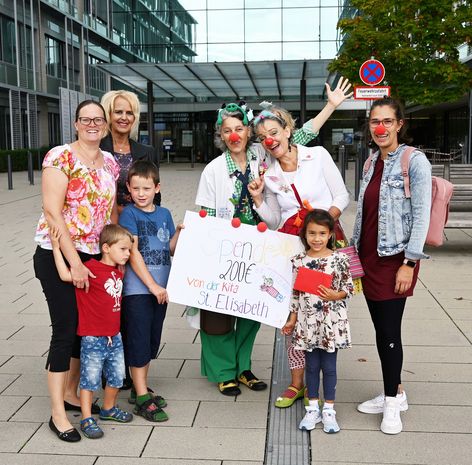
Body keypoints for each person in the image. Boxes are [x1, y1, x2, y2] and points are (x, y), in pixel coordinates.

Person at [195, 80, 351, 397]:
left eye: (239, 128)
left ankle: (242, 366)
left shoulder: (261, 157)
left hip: (263, 246)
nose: (234, 135)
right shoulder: (212, 169)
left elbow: (298, 135)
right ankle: (223, 371)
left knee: (253, 310)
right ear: (220, 136)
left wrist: (330, 107)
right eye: (227, 130)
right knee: (220, 312)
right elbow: (206, 213)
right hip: (227, 245)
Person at [249, 94, 351, 408]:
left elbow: (342, 195)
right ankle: (297, 384)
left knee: (323, 311)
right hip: (293, 251)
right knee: (293, 318)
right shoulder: (270, 174)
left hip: (324, 246)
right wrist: (258, 200)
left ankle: (323, 384)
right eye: (263, 137)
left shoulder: (317, 155)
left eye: (274, 133)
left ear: (288, 130)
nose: (269, 140)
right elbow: (275, 219)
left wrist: (321, 227)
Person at [33, 100, 119, 442]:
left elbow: (108, 213)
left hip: (95, 255)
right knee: (65, 330)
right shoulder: (60, 157)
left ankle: (71, 394)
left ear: (106, 124)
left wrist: (116, 251)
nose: (93, 124)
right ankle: (58, 414)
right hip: (56, 254)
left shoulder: (110, 162)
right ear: (76, 123)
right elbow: (53, 213)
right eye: (86, 119)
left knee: (86, 331)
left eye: (99, 119)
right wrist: (76, 263)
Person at [351, 97, 432, 434]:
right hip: (367, 258)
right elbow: (366, 212)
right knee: (381, 329)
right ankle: (395, 390)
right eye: (374, 122)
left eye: (387, 121)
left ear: (400, 124)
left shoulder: (415, 161)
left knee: (388, 333)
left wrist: (409, 263)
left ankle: (391, 403)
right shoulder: (371, 161)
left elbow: (422, 215)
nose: (380, 128)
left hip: (394, 260)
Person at [50, 224, 134, 439]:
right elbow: (64, 275)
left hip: (114, 337)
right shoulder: (90, 269)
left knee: (117, 378)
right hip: (93, 339)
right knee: (90, 380)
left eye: (129, 250)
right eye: (123, 249)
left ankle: (108, 409)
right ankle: (87, 418)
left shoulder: (117, 271)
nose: (128, 254)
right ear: (106, 248)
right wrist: (56, 248)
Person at [100, 89, 160, 389]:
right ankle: (111, 367)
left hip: (138, 235)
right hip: (106, 234)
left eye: (129, 113)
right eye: (118, 111)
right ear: (108, 115)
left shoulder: (146, 150)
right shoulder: (97, 147)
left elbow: (152, 193)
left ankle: (131, 366)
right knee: (111, 301)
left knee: (134, 302)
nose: (124, 117)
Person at [119, 160, 183, 422]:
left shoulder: (164, 214)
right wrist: (152, 285)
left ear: (157, 187)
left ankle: (139, 386)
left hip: (161, 291)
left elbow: (168, 249)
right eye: (136, 188)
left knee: (152, 340)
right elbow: (132, 252)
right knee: (138, 339)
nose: (141, 193)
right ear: (128, 188)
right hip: (138, 291)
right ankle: (143, 396)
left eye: (146, 188)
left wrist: (179, 233)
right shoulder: (129, 215)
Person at [282, 210, 353, 433]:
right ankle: (313, 407)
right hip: (307, 324)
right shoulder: (299, 261)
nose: (317, 238)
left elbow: (349, 288)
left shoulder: (339, 259)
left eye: (322, 233)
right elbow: (295, 294)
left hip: (330, 323)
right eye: (312, 233)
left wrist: (336, 295)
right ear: (305, 234)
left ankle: (329, 409)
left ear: (330, 234)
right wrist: (292, 320)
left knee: (329, 367)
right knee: (311, 366)